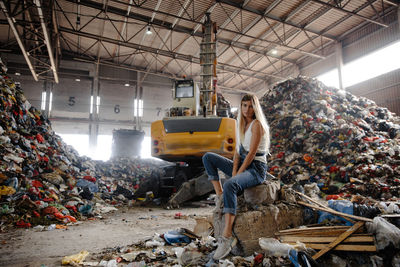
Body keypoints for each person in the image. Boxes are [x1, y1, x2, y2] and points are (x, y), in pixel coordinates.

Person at [202, 93, 270, 260]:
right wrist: (234, 171)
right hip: (242, 163)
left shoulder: (257, 125)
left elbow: (251, 155)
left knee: (230, 185)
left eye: (251, 106)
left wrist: (237, 175)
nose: (247, 109)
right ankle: (220, 197)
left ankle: (227, 237)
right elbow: (238, 153)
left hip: (256, 168)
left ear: (255, 107)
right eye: (244, 106)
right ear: (241, 107)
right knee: (208, 157)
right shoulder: (241, 124)